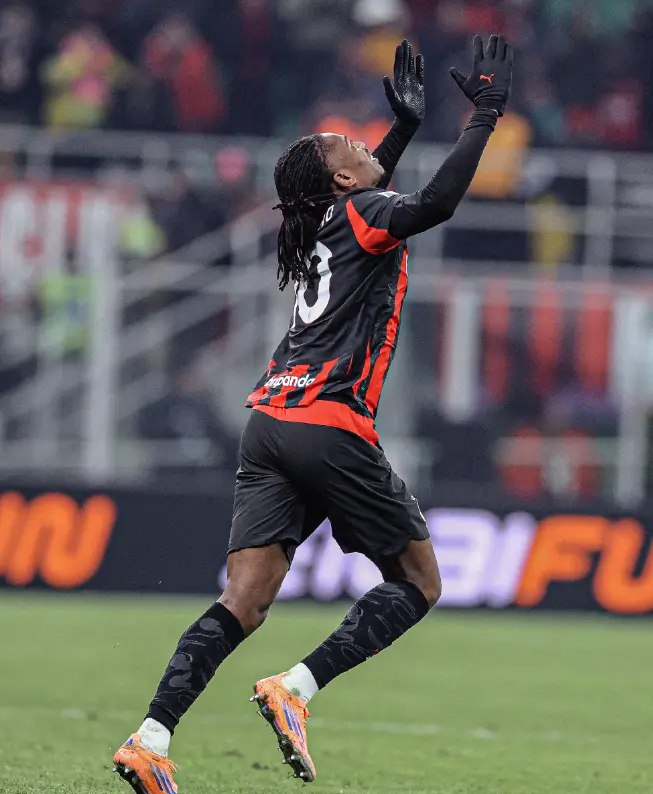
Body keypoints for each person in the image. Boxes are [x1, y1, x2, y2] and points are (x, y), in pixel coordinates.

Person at [112, 36, 513, 793]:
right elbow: (435, 204)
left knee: (243, 600)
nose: (363, 144)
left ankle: (150, 739)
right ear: (341, 179)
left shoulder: (325, 221)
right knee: (419, 583)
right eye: (351, 145)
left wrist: (401, 132)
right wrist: (484, 115)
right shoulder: (361, 213)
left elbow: (372, 187)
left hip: (269, 419)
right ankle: (295, 688)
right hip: (328, 421)